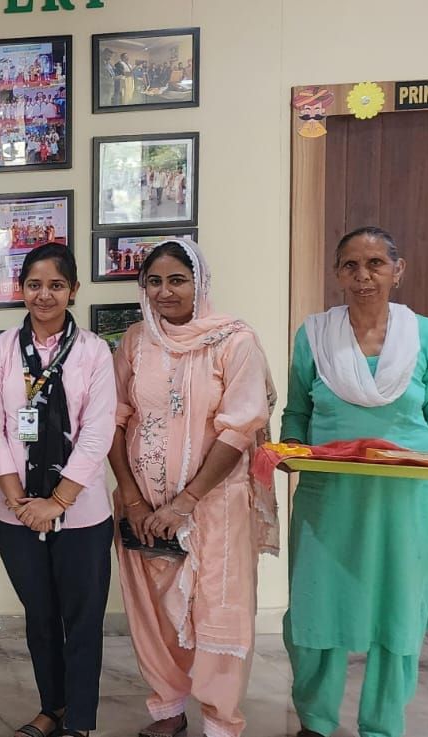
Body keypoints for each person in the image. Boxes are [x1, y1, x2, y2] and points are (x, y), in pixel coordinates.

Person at [279, 227, 428, 737]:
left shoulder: (427, 335)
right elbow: (296, 413)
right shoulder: (314, 335)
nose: (363, 276)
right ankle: (314, 722)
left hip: (406, 501)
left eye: (375, 264)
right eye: (350, 265)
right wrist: (287, 450)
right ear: (337, 274)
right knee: (315, 609)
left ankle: (383, 726)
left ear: (398, 270)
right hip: (330, 500)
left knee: (398, 617)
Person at [107, 239, 276, 737]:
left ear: (199, 283)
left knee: (218, 609)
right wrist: (132, 499)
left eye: (177, 280)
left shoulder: (234, 341)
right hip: (143, 507)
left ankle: (220, 721)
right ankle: (168, 708)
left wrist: (185, 503)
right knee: (155, 611)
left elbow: (239, 428)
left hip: (215, 506)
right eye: (154, 282)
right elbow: (114, 419)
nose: (164, 292)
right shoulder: (136, 341)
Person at [0, 244, 116, 737]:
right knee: (40, 615)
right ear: (21, 290)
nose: (44, 295)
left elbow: (98, 432)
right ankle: (51, 708)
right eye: (34, 285)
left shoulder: (95, 352)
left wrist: (56, 502)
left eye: (56, 285)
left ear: (73, 290)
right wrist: (20, 502)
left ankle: (79, 720)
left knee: (82, 618)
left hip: (81, 512)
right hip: (12, 511)